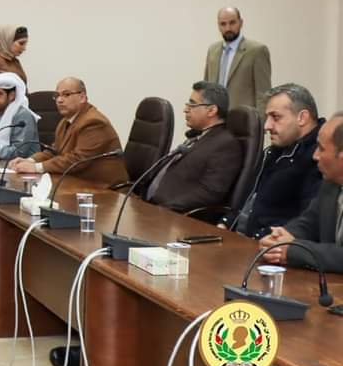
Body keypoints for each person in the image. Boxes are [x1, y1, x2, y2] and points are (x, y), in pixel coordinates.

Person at [226, 83, 323, 239]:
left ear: (302, 118)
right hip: (239, 239)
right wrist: (225, 223)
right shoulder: (274, 151)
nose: (266, 126)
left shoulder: (319, 157)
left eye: (275, 117)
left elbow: (308, 223)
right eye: (267, 118)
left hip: (269, 247)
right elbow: (249, 198)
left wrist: (266, 238)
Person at [259, 111, 343, 273]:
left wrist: (293, 250)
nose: (315, 156)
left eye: (321, 149)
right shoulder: (330, 184)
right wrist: (280, 239)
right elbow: (308, 223)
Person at [140, 81, 242, 213]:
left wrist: (166, 209)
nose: (186, 109)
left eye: (192, 104)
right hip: (148, 206)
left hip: (171, 216)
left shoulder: (226, 145)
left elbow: (210, 192)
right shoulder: (198, 137)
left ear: (211, 110)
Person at [8, 77, 127, 185]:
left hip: (105, 189)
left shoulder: (94, 122)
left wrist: (36, 167)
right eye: (57, 96)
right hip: (78, 183)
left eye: (66, 94)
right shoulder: (65, 122)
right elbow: (54, 152)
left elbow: (78, 160)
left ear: (82, 97)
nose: (59, 100)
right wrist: (29, 160)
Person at [204, 7, 271, 109]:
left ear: (241, 23)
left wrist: (259, 123)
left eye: (232, 23)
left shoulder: (257, 51)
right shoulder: (212, 51)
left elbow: (263, 94)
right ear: (218, 25)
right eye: (223, 24)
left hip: (243, 120)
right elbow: (206, 89)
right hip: (215, 120)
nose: (228, 28)